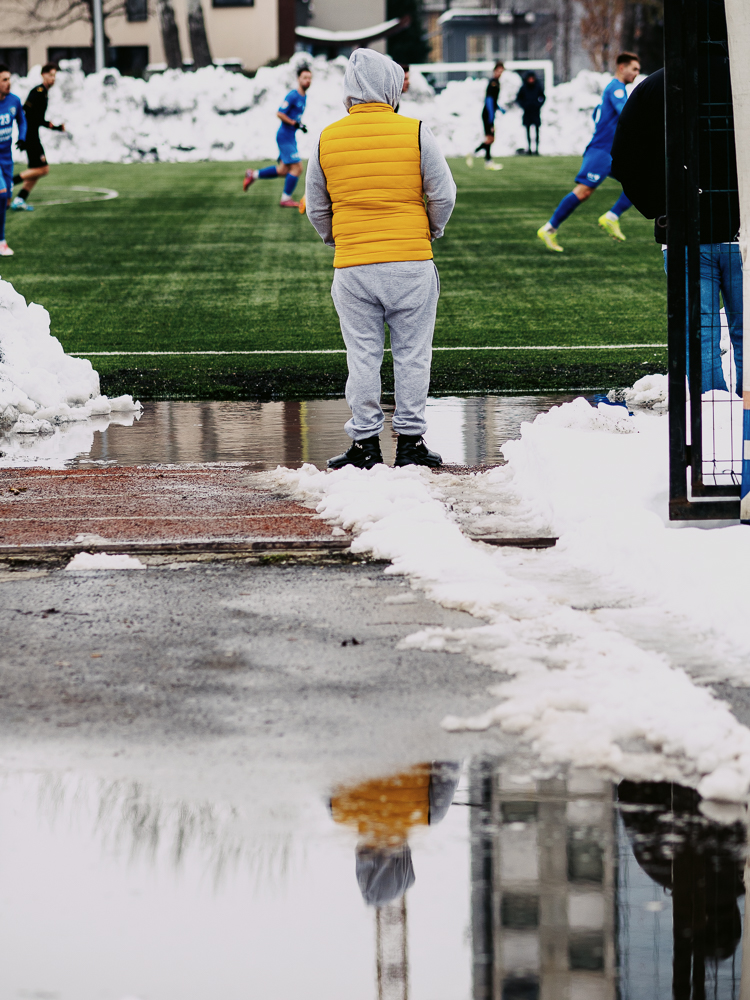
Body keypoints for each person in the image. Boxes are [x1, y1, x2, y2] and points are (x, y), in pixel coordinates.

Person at [305, 48, 456, 470]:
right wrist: (431, 229)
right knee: (413, 354)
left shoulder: (327, 138)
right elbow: (443, 194)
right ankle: (410, 443)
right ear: (390, 86)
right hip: (411, 262)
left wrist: (337, 238)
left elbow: (316, 207)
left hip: (354, 266)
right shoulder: (416, 131)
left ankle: (365, 444)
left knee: (362, 356)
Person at [611, 63, 742, 395]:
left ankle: (709, 411)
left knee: (700, 335)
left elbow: (624, 157)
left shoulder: (656, 85)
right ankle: (747, 415)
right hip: (740, 230)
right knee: (747, 332)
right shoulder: (742, 75)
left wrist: (660, 207)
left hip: (685, 231)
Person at [537, 51, 641, 252]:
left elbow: (600, 115)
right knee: (584, 192)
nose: (637, 73)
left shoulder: (615, 89)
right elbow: (625, 113)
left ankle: (611, 217)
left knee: (640, 181)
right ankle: (549, 229)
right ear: (622, 68)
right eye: (634, 69)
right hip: (601, 151)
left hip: (612, 151)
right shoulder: (616, 88)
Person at [243, 64, 312, 208]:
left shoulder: (304, 97)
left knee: (283, 170)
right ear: (298, 79)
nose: (307, 80)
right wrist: (293, 123)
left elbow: (294, 117)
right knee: (297, 168)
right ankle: (286, 198)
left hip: (290, 137)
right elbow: (280, 113)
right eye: (305, 77)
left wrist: (299, 125)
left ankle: (252, 175)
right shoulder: (292, 95)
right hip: (284, 137)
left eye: (309, 78)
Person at [11, 63, 65, 212]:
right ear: (43, 75)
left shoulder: (44, 93)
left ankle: (20, 199)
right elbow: (25, 112)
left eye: (54, 76)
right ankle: (9, 183)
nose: (53, 78)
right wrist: (23, 137)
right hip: (30, 136)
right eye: (50, 75)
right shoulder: (38, 92)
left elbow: (37, 118)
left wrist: (55, 127)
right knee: (43, 169)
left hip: (32, 134)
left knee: (36, 170)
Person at [0, 64, 26, 257]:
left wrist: (22, 137)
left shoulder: (14, 100)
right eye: (4, 80)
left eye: (9, 79)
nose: (9, 83)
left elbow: (22, 120)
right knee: (1, 194)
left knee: (6, 201)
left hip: (7, 159)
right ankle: (2, 241)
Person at [467, 62, 505, 170]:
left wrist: (499, 108)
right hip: (488, 113)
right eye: (498, 71)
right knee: (490, 138)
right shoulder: (493, 83)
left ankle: (487, 161)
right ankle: (475, 154)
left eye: (501, 71)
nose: (500, 73)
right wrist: (491, 117)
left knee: (490, 138)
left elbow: (493, 101)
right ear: (494, 71)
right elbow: (489, 100)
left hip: (490, 112)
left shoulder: (496, 82)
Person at [516, 71, 545, 155]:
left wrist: (538, 105)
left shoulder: (537, 86)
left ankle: (536, 149)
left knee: (537, 131)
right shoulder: (524, 87)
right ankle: (529, 148)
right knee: (527, 130)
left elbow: (543, 97)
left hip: (535, 112)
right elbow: (519, 98)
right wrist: (524, 105)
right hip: (527, 112)